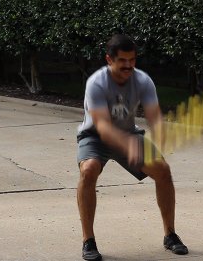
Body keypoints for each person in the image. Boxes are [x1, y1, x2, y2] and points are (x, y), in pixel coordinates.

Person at [76, 34, 188, 261]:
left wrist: (161, 132)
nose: (128, 66)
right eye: (122, 61)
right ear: (109, 59)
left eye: (132, 60)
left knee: (163, 170)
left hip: (128, 133)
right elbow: (103, 127)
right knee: (88, 170)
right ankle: (88, 241)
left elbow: (154, 115)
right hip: (95, 136)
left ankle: (170, 235)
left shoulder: (143, 81)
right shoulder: (96, 83)